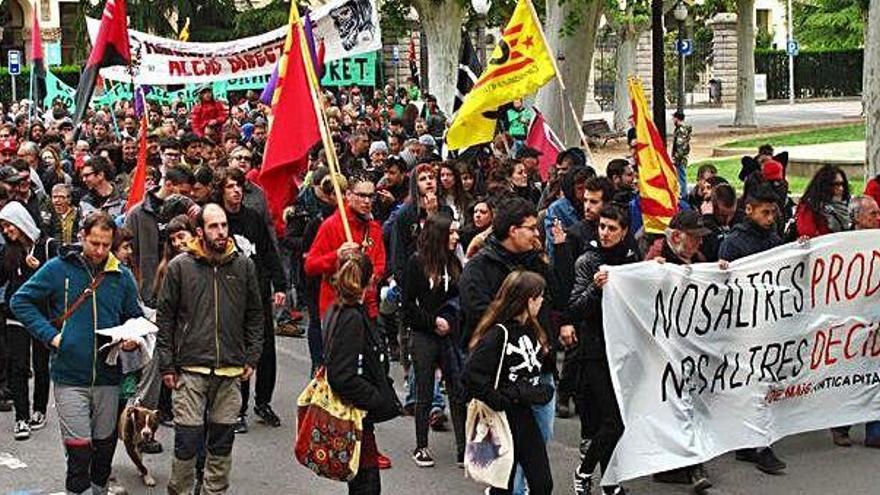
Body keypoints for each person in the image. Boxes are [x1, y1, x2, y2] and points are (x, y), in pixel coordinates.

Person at [11, 212, 143, 495]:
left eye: (106, 245)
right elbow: (20, 301)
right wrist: (52, 336)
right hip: (70, 375)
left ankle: (98, 490)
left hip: (108, 377)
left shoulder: (122, 275)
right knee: (79, 453)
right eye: (94, 243)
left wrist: (132, 337)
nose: (99, 251)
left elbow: (135, 316)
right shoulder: (58, 268)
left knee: (104, 450)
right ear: (82, 236)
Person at [156, 204, 264, 495]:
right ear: (200, 231)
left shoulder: (243, 266)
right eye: (214, 226)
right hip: (190, 368)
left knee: (221, 442)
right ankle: (180, 490)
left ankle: (213, 491)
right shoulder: (181, 266)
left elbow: (255, 315)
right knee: (187, 441)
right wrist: (167, 365)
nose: (220, 232)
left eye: (224, 225)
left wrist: (252, 356)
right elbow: (164, 318)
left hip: (230, 369)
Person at [569, 206, 641, 495]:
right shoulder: (588, 261)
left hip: (623, 350)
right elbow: (574, 307)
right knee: (612, 420)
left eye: (612, 228)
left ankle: (609, 482)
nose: (605, 233)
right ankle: (584, 472)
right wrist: (595, 290)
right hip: (596, 351)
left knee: (617, 421)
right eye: (602, 227)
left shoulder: (630, 258)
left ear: (624, 231)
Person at [718, 185, 788, 475]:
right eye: (765, 212)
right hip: (744, 326)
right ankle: (759, 445)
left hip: (768, 324)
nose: (771, 218)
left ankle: (750, 443)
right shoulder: (734, 243)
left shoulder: (773, 239)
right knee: (751, 387)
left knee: (761, 386)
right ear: (749, 210)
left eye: (773, 212)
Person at [464, 270, 554, 495]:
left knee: (542, 483)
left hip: (524, 415)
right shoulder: (498, 334)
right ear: (528, 300)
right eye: (539, 296)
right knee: (503, 482)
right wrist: (502, 399)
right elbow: (471, 376)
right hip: (502, 418)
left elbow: (537, 369)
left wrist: (540, 391)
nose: (542, 301)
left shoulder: (532, 329)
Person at [325, 250, 401, 494]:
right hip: (358, 417)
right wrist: (377, 399)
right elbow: (342, 376)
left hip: (358, 417)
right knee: (366, 487)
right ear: (370, 281)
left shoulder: (338, 310)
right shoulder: (351, 318)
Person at [402, 215, 466, 467]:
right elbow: (407, 306)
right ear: (439, 234)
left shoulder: (454, 263)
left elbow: (459, 298)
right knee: (425, 392)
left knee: (457, 391)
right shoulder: (417, 263)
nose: (456, 237)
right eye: (451, 232)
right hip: (423, 334)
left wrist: (449, 320)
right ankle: (421, 446)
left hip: (449, 335)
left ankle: (463, 449)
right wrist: (431, 323)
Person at [0, 201, 58, 440]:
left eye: (8, 225)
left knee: (42, 364)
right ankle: (21, 417)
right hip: (15, 315)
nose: (6, 231)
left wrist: (40, 267)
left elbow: (57, 277)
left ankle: (39, 410)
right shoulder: (9, 251)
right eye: (2, 227)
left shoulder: (47, 246)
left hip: (42, 316)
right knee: (18, 365)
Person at [829, 195, 880, 448]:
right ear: (858, 218)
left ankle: (875, 431)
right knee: (851, 374)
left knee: (876, 374)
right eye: (873, 214)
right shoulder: (842, 244)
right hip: (851, 319)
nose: (878, 218)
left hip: (876, 316)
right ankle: (841, 425)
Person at [794, 164, 851, 238]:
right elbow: (809, 235)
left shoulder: (847, 206)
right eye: (836, 184)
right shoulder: (809, 208)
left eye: (842, 184)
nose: (841, 189)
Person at [670, 110, 692, 199]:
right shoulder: (681, 129)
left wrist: (675, 158)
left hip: (680, 159)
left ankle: (683, 195)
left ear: (677, 118)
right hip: (681, 158)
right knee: (680, 176)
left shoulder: (681, 130)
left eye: (673, 118)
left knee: (681, 177)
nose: (672, 120)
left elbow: (680, 146)